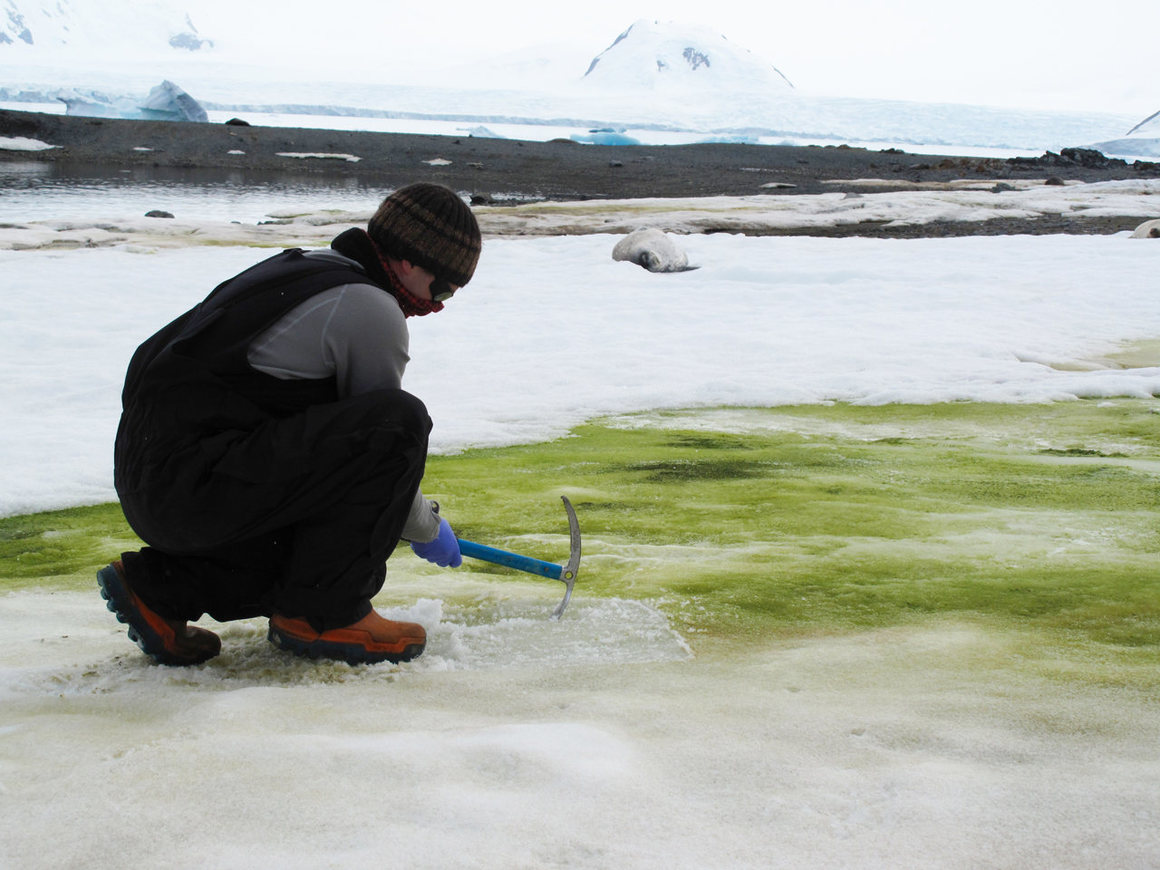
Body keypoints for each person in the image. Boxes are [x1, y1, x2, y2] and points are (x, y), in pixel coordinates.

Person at [96, 183, 481, 667]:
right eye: (443, 288)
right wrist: (426, 525)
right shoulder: (368, 308)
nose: (439, 304)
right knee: (400, 422)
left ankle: (161, 590)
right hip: (193, 483)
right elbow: (382, 449)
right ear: (409, 261)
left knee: (311, 536)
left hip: (159, 479)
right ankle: (327, 612)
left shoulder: (306, 268)